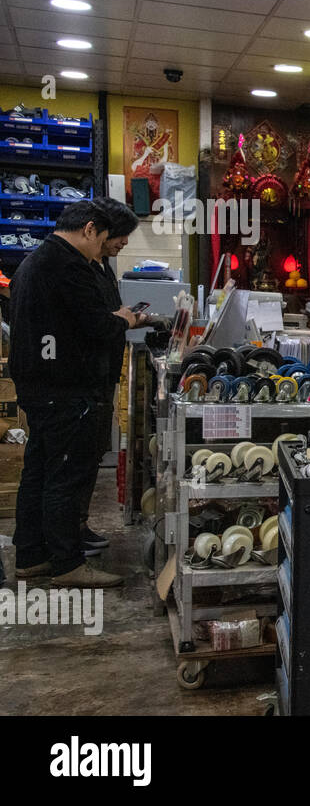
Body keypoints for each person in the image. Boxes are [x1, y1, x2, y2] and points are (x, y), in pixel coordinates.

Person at [10, 200, 145, 588]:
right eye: (103, 239)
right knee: (64, 477)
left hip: (43, 387)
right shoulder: (66, 265)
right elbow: (97, 326)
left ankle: (32, 556)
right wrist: (120, 319)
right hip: (64, 389)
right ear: (89, 230)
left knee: (40, 472)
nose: (103, 249)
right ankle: (67, 564)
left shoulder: (38, 260)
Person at [76, 200, 140, 555]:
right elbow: (95, 322)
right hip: (83, 381)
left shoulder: (100, 267)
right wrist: (123, 321)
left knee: (87, 460)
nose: (124, 243)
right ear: (97, 231)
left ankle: (78, 526)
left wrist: (128, 319)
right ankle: (67, 539)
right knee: (74, 464)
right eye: (120, 236)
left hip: (101, 378)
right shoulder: (77, 269)